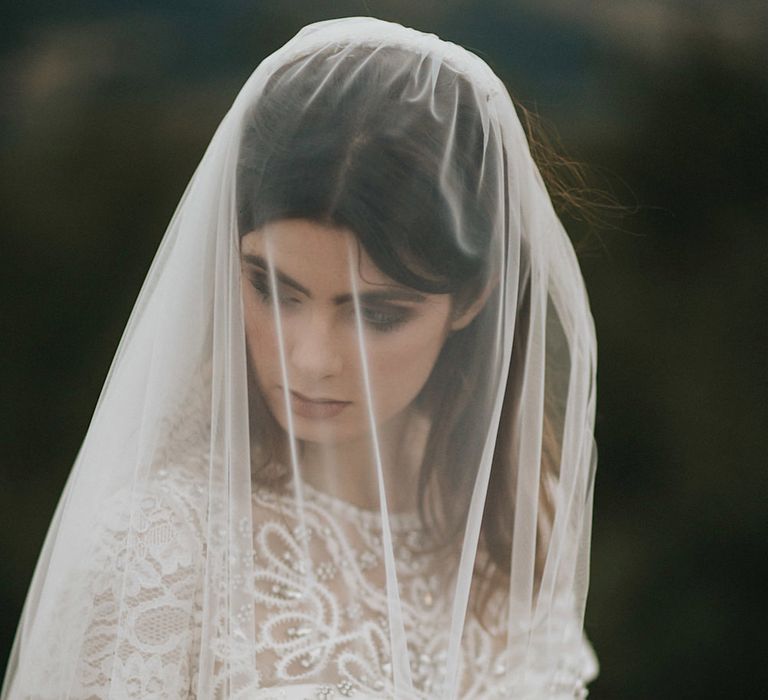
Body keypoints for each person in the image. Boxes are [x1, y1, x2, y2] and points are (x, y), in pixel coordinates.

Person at [2, 17, 599, 699]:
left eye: (377, 314)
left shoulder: (519, 510)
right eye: (273, 289)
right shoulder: (156, 552)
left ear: (471, 302)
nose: (311, 361)